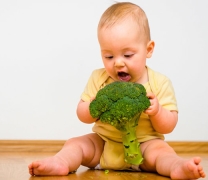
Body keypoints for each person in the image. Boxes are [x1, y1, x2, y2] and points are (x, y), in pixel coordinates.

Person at [28, 2, 206, 179]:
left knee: (162, 152)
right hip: (104, 145)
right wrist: (93, 105)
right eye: (109, 56)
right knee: (76, 144)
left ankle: (177, 167)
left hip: (145, 147)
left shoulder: (159, 82)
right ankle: (61, 162)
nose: (118, 63)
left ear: (148, 49)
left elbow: (169, 125)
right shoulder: (98, 78)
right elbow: (82, 114)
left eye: (128, 55)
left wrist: (157, 111)